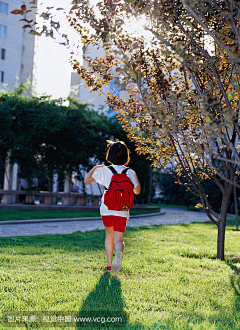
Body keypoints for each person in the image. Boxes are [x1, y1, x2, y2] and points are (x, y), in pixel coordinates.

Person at [84, 140, 141, 273]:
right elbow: (137, 191)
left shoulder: (104, 170)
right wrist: (134, 181)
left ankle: (109, 264)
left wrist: (96, 167)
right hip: (122, 210)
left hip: (106, 209)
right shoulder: (130, 172)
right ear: (126, 156)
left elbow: (87, 180)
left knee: (109, 234)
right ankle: (119, 255)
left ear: (110, 155)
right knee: (119, 239)